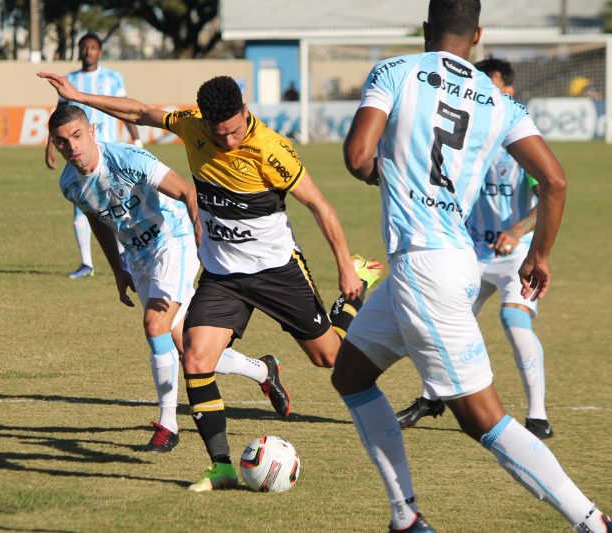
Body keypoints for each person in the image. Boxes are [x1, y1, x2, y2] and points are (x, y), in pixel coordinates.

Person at [332, 1, 612, 532]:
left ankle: (595, 523)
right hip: (452, 258)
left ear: (426, 30)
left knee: (483, 419)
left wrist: (392, 175)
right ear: (478, 35)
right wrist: (538, 255)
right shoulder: (499, 101)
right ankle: (405, 519)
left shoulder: (395, 71)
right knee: (352, 374)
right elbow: (557, 181)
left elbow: (358, 157)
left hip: (424, 266)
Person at [38, 71, 383, 490]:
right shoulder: (191, 124)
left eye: (235, 131)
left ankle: (354, 296)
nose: (229, 142)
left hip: (275, 270)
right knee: (196, 359)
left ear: (245, 112)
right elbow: (141, 110)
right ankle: (220, 466)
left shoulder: (274, 150)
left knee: (329, 358)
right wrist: (78, 97)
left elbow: (320, 206)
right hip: (222, 276)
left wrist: (346, 267)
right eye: (219, 135)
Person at [47, 104, 293, 452]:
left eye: (76, 136)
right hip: (138, 257)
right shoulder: (69, 184)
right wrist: (118, 269)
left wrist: (199, 235)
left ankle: (168, 424)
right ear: (54, 145)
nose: (71, 146)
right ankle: (264, 371)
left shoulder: (128, 159)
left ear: (91, 131)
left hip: (172, 241)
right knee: (189, 348)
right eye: (61, 141)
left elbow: (187, 191)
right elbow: (97, 219)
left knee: (154, 325)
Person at [395, 58, 553, 440]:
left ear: (509, 94)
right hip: (470, 254)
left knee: (515, 322)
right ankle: (432, 396)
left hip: (516, 255)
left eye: (492, 89)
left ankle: (537, 416)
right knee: (434, 322)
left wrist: (516, 232)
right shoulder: (465, 139)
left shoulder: (522, 145)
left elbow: (548, 198)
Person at [44, 32, 143, 279]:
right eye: (84, 47)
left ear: (100, 51)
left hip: (108, 152)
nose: (88, 51)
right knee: (82, 205)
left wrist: (137, 139)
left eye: (93, 47)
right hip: (79, 155)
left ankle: (124, 255)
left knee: (116, 204)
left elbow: (124, 110)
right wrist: (49, 146)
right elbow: (59, 116)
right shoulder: (70, 80)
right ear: (79, 51)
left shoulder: (112, 78)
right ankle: (86, 263)